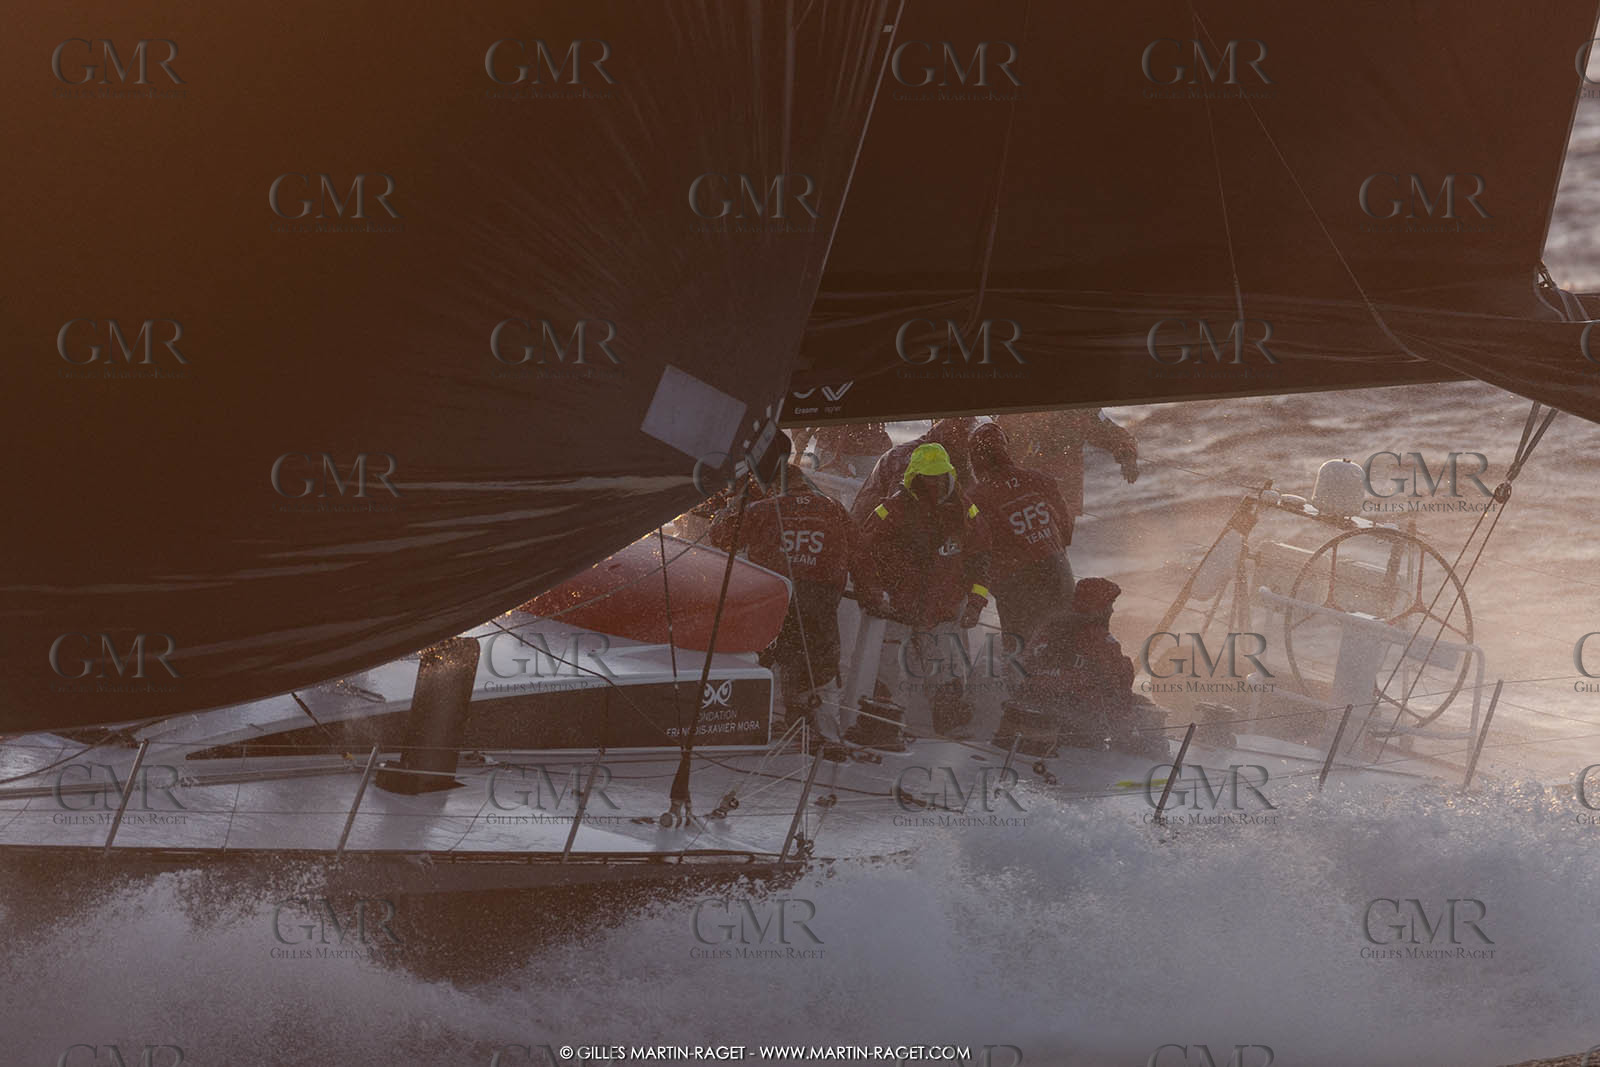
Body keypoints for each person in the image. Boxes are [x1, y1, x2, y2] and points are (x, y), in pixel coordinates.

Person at [710, 434, 856, 738]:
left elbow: (720, 536)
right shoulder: (833, 509)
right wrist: (870, 593)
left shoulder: (761, 509)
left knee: (759, 654)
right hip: (821, 602)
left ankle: (742, 720)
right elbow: (862, 553)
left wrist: (734, 503)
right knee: (813, 664)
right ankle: (817, 731)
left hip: (776, 598)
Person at [853, 442, 992, 738]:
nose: (934, 483)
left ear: (949, 475)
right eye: (928, 476)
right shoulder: (891, 508)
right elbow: (862, 551)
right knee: (888, 672)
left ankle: (949, 729)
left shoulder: (965, 511)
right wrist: (872, 593)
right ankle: (884, 728)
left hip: (941, 612)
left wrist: (975, 603)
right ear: (914, 476)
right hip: (896, 610)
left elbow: (981, 557)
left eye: (939, 476)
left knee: (946, 675)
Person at [1010, 577, 1167, 758]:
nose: (1112, 610)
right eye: (1109, 604)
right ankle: (1144, 759)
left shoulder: (1047, 628)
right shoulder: (1101, 641)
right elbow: (1119, 683)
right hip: (1076, 721)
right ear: (1098, 606)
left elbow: (1027, 665)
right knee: (1145, 707)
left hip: (1032, 701)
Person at [967, 421, 1075, 647]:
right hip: (1059, 572)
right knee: (1063, 644)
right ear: (1005, 449)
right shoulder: (1040, 479)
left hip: (1017, 585)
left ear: (976, 459)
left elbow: (974, 549)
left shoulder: (976, 497)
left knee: (1021, 654)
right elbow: (1066, 528)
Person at [993, 409, 1139, 545]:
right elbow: (992, 448)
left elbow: (1110, 432)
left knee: (1053, 548)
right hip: (1022, 497)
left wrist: (1127, 454)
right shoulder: (1015, 414)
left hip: (1062, 497)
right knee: (1028, 550)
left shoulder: (1080, 410)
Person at [848, 417, 978, 526]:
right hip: (872, 533)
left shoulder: (959, 459)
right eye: (964, 435)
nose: (967, 445)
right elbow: (900, 513)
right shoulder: (913, 459)